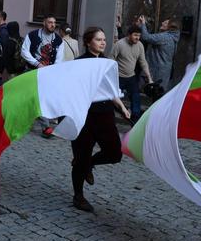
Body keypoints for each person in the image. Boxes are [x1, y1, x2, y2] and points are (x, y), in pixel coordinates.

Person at [71, 27, 130, 213]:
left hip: (105, 114)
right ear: (88, 42)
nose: (103, 42)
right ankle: (78, 196)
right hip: (84, 115)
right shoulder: (78, 63)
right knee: (81, 156)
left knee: (114, 153)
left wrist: (121, 107)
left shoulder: (107, 63)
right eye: (98, 39)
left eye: (104, 39)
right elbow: (72, 89)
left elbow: (111, 90)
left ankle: (90, 163)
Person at [21, 14, 64, 137]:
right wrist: (37, 63)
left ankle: (46, 127)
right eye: (50, 22)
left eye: (54, 23)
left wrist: (52, 71)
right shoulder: (32, 35)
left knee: (41, 98)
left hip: (48, 74)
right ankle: (23, 120)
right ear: (44, 23)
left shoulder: (58, 40)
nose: (53, 25)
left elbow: (59, 58)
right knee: (29, 97)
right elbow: (24, 51)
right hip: (31, 71)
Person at [111, 24, 152, 122]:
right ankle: (113, 115)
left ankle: (135, 118)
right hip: (118, 77)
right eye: (135, 35)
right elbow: (111, 59)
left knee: (136, 97)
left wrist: (149, 78)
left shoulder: (140, 45)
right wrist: (111, 76)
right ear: (129, 35)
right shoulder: (119, 44)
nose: (137, 38)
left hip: (131, 77)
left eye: (139, 35)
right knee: (113, 98)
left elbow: (143, 62)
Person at [138, 15, 181, 90]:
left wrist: (143, 24)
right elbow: (153, 37)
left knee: (152, 91)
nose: (162, 23)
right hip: (164, 70)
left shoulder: (165, 37)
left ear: (170, 27)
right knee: (159, 92)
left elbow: (146, 37)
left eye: (165, 23)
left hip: (157, 70)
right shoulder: (173, 38)